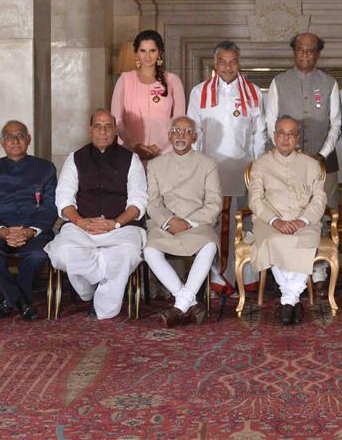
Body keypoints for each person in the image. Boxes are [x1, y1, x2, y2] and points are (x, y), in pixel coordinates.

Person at [44, 109, 147, 320]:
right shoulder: (75, 158)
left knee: (127, 253)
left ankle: (103, 305)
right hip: (82, 227)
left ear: (115, 131)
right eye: (98, 126)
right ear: (90, 130)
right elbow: (64, 200)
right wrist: (81, 222)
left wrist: (115, 224)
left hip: (121, 228)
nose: (103, 131)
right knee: (63, 251)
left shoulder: (131, 159)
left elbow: (138, 201)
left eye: (108, 126)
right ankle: (90, 291)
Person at [188, 41, 269, 286]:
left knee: (244, 222)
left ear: (239, 62)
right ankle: (217, 276)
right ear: (215, 63)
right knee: (214, 223)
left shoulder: (253, 92)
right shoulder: (199, 92)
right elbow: (194, 133)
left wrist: (256, 168)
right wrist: (197, 169)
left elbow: (260, 133)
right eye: (222, 61)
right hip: (211, 172)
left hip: (243, 170)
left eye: (233, 61)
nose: (227, 67)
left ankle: (246, 275)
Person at [0, 120, 57, 321]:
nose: (15, 140)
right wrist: (3, 232)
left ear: (28, 140)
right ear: (2, 142)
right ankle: (21, 302)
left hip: (34, 229)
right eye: (9, 137)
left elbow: (50, 207)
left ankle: (9, 300)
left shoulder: (45, 168)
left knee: (37, 255)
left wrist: (29, 231)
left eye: (20, 135)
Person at [248, 116, 328, 325]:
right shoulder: (261, 164)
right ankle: (291, 300)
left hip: (304, 222)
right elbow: (255, 200)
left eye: (291, 134)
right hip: (270, 222)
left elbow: (319, 200)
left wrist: (302, 221)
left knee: (304, 241)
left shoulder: (311, 165)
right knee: (275, 241)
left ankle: (288, 301)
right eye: (281, 133)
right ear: (274, 135)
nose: (285, 138)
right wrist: (276, 221)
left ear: (297, 138)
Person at [143, 116, 221, 327]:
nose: (181, 135)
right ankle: (190, 302)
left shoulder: (208, 163)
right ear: (169, 135)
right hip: (166, 225)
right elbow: (152, 202)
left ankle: (180, 306)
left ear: (194, 137)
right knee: (150, 250)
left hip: (197, 224)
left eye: (187, 131)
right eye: (176, 130)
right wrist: (169, 221)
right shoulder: (156, 164)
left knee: (210, 246)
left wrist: (188, 223)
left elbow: (214, 203)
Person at [264, 32, 342, 191]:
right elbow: (270, 121)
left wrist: (322, 155)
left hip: (324, 162)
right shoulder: (278, 82)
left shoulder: (330, 83)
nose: (305, 54)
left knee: (325, 211)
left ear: (318, 53)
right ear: (294, 51)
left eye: (310, 50)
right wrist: (285, 151)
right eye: (300, 50)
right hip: (283, 161)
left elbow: (336, 123)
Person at [111, 30, 186, 159]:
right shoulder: (125, 80)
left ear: (159, 53)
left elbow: (179, 119)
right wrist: (135, 145)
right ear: (136, 53)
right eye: (143, 51)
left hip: (165, 153)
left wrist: (158, 146)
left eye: (152, 50)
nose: (148, 56)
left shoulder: (173, 80)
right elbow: (116, 119)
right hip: (130, 153)